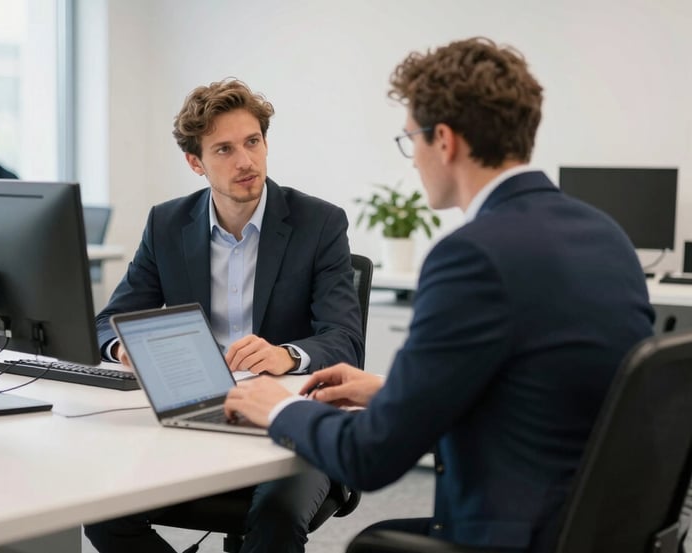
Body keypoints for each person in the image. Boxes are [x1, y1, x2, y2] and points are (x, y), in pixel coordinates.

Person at [223, 37, 655, 553]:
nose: (413, 160)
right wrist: (393, 390)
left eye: (411, 141)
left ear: (443, 140)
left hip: (515, 536)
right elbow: (540, 387)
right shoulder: (605, 234)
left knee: (371, 545)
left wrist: (277, 407)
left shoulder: (471, 255)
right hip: (602, 531)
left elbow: (373, 457)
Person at [83, 79, 363, 553]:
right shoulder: (167, 224)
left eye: (253, 142)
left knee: (275, 516)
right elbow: (107, 323)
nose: (246, 161)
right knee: (100, 509)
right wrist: (122, 345)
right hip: (193, 413)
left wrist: (287, 355)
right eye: (225, 149)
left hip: (288, 419)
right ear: (196, 163)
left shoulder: (320, 223)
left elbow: (345, 339)